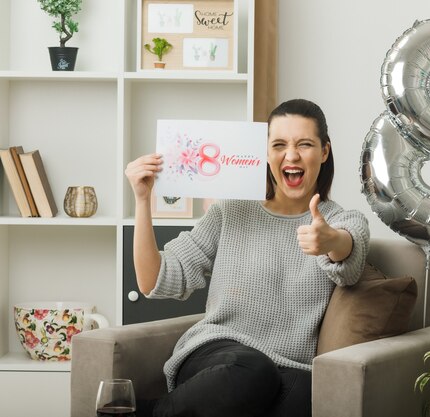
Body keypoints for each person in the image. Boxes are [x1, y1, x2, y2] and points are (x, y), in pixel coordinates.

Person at [124, 98, 370, 417]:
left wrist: (330, 240)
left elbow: (350, 257)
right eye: (279, 144)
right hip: (217, 354)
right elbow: (153, 280)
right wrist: (142, 200)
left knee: (307, 398)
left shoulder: (342, 221)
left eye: (305, 144)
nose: (291, 155)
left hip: (287, 368)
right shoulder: (231, 211)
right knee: (254, 369)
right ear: (265, 153)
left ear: (324, 152)